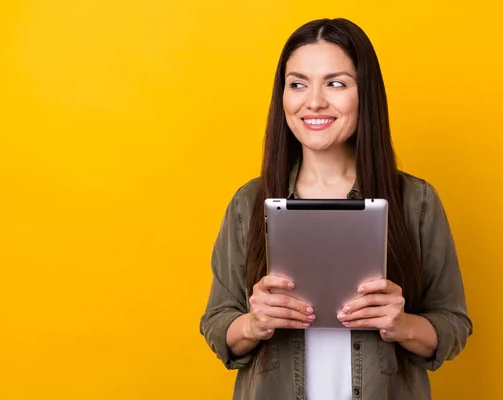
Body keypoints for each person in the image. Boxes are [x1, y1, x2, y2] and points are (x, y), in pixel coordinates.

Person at [199, 17, 472, 400]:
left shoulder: (416, 200)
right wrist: (253, 324)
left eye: (336, 83)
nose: (314, 101)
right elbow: (216, 323)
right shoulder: (249, 202)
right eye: (297, 84)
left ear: (365, 94)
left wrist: (403, 324)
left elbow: (453, 323)